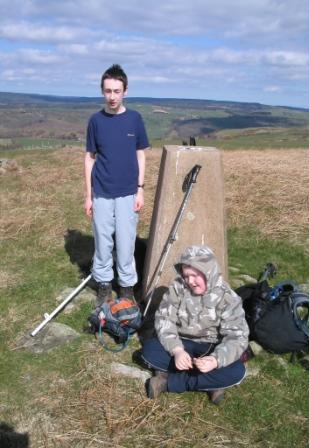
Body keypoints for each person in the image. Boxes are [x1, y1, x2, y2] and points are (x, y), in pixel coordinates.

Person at [141, 245, 249, 404]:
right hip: (181, 343)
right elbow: (164, 320)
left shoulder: (228, 297)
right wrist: (177, 350)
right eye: (186, 276)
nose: (190, 281)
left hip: (210, 347)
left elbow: (237, 337)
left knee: (237, 371)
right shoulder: (177, 288)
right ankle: (210, 383)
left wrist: (215, 360)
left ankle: (166, 382)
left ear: (209, 272)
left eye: (195, 275)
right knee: (149, 350)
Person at [85, 64, 150, 305]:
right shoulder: (95, 121)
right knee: (103, 242)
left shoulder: (134, 119)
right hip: (101, 191)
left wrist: (141, 189)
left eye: (117, 91)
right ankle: (103, 285)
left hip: (128, 193)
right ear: (102, 91)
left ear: (125, 91)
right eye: (108, 91)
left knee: (126, 242)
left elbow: (140, 154)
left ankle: (126, 288)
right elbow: (89, 158)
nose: (112, 96)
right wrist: (88, 195)